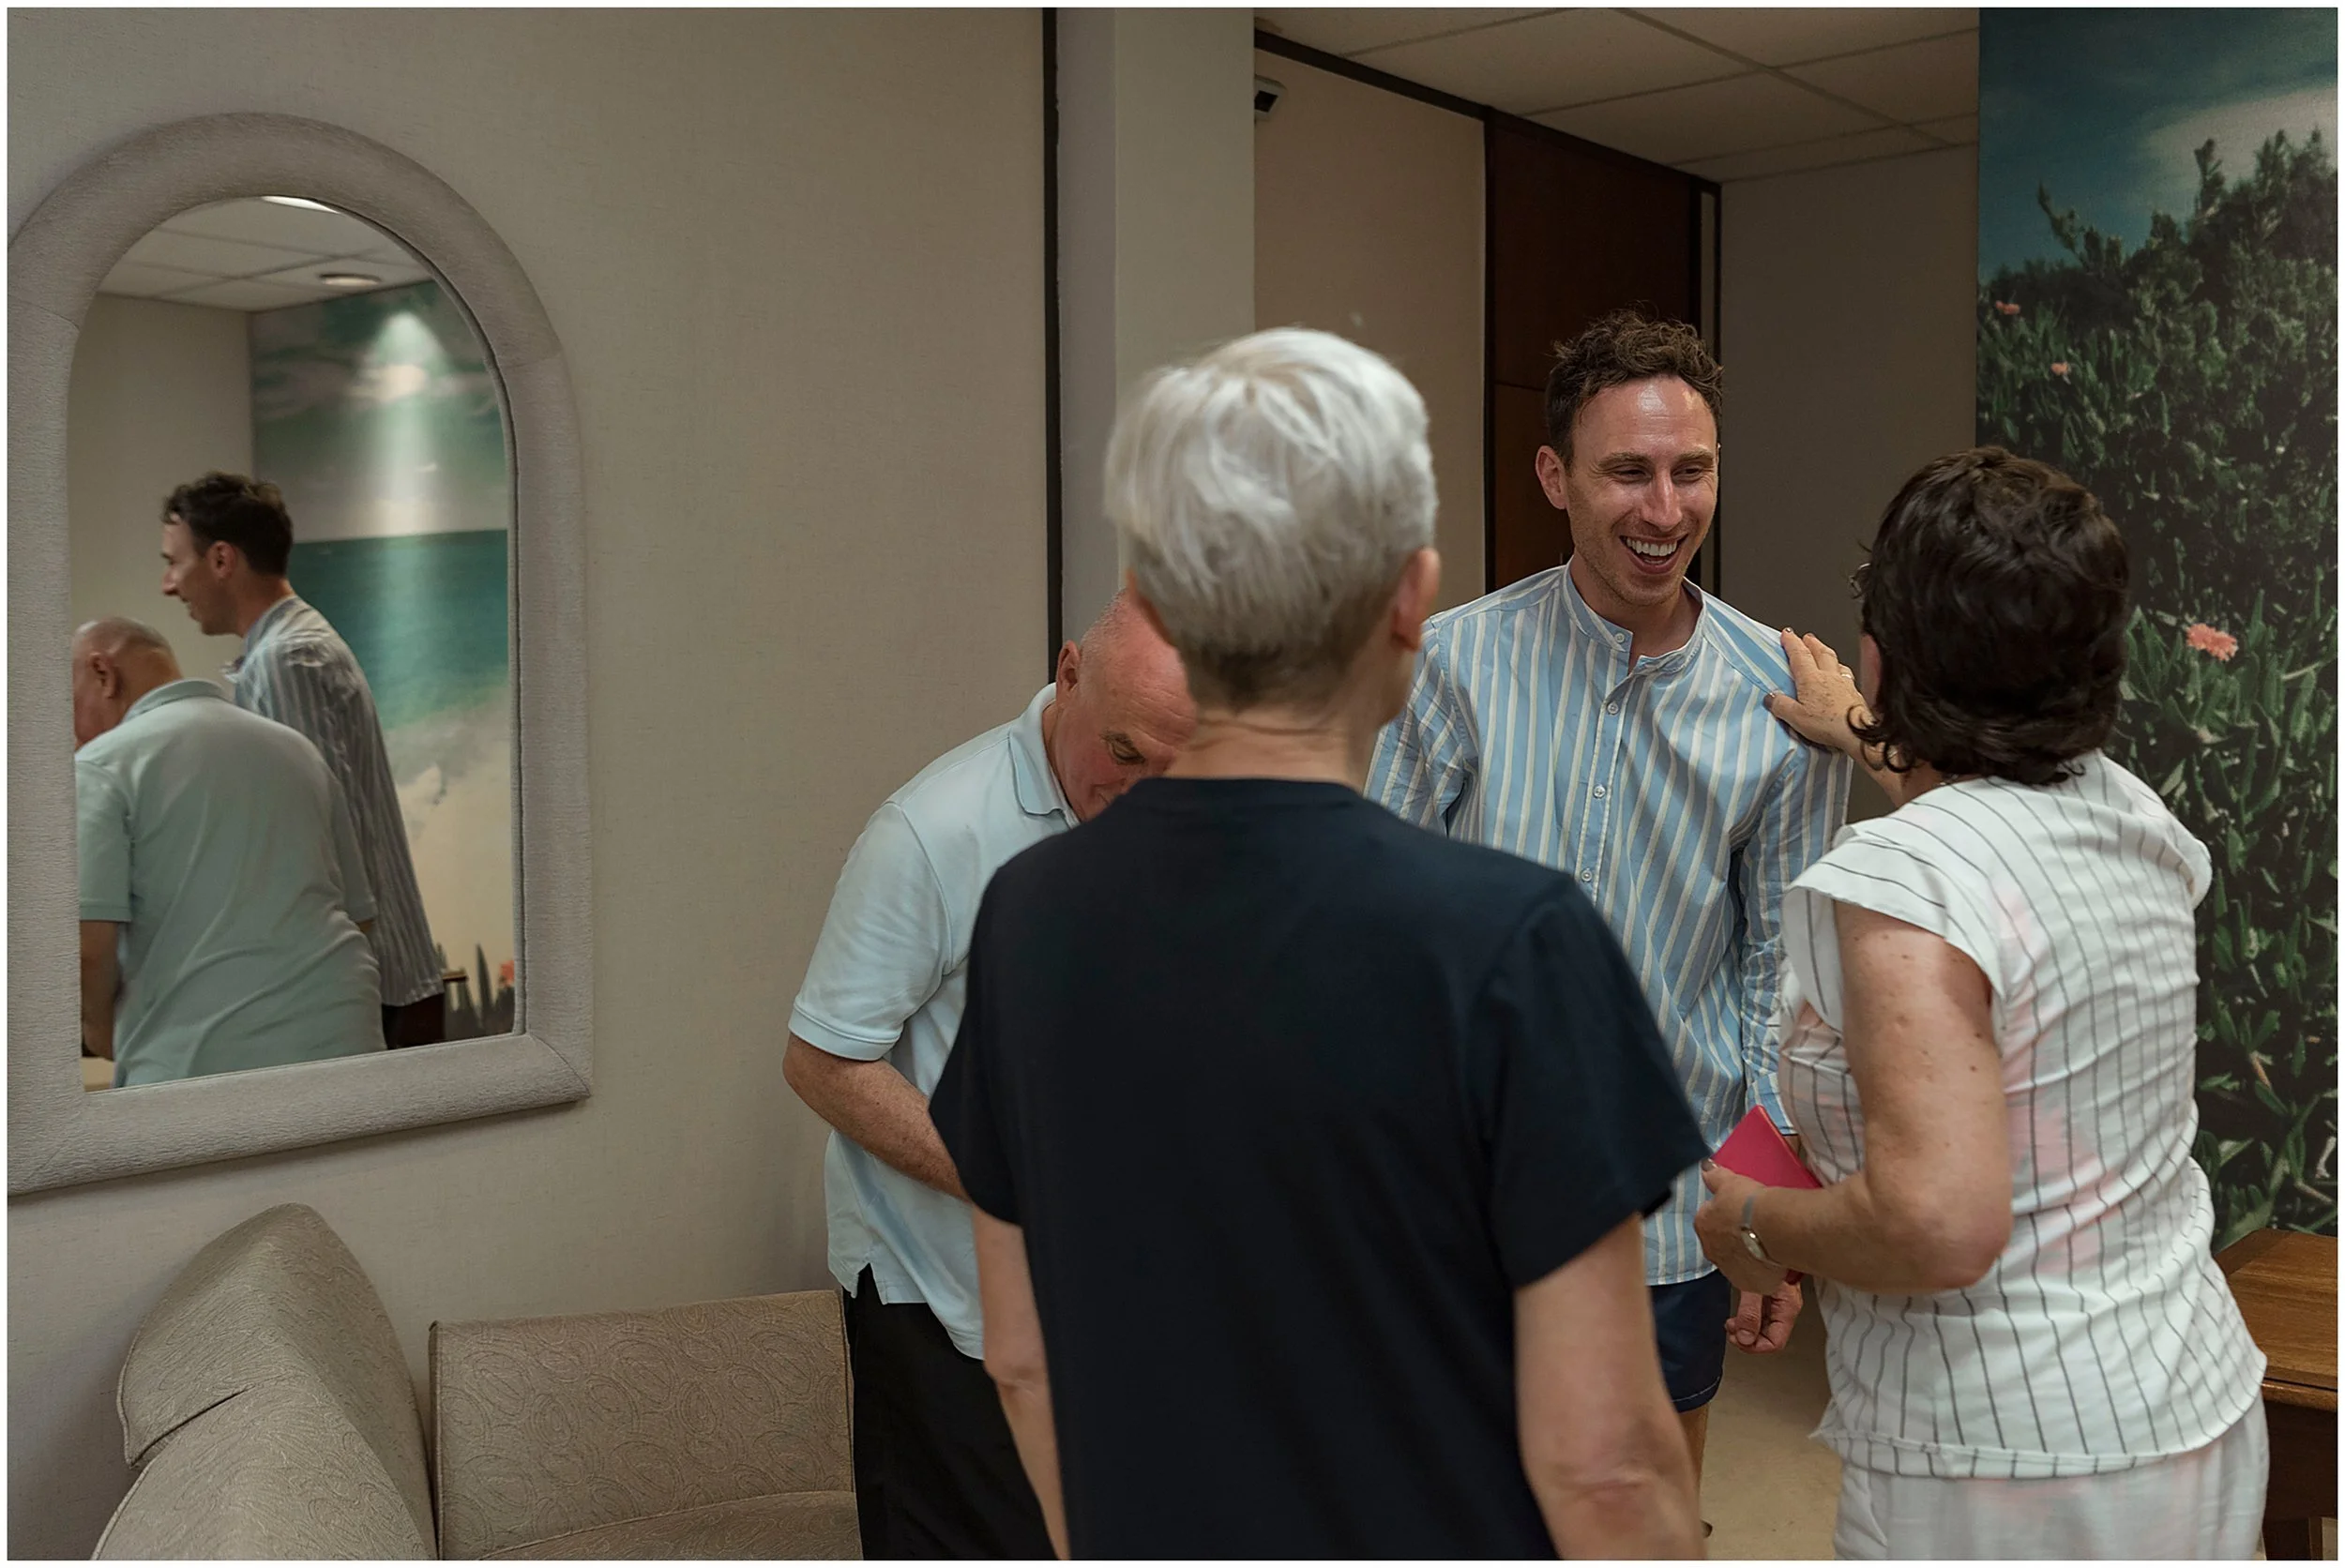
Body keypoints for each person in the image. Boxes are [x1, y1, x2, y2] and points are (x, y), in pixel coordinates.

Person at [930, 328, 1708, 1558]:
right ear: (1410, 597)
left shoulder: (1028, 915)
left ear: (1171, 607)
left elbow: (1023, 1363)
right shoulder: (1512, 944)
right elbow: (1605, 1462)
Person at [1693, 447, 2270, 1559]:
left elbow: (1935, 1221)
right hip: (2187, 1400)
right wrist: (1859, 726)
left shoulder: (1902, 879)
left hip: (2010, 1468)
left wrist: (1748, 1222)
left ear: (1885, 643)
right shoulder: (2131, 815)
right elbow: (1983, 795)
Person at [1366, 309, 1850, 1475]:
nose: (1664, 508)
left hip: (1666, 1227)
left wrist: (1763, 1215)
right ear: (1555, 476)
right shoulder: (1451, 665)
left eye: (1692, 470)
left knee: (1637, 1525)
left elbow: (1779, 987)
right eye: (1627, 471)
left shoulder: (1780, 703)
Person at [782, 594, 1194, 1559]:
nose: (1149, 794)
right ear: (1068, 671)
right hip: (946, 1309)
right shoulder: (931, 834)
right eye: (1125, 755)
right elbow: (823, 1062)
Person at [159, 472, 446, 1048]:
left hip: (360, 998)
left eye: (174, 562)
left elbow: (318, 848)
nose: (169, 585)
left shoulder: (285, 660)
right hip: (370, 989)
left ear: (221, 560)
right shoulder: (290, 648)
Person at [72, 617, 383, 1085]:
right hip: (345, 1040)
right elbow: (359, 913)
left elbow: (88, 947)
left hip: (202, 1064)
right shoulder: (297, 750)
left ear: (103, 673)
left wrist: (100, 1034)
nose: (72, 728)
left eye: (66, 700)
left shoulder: (102, 765)